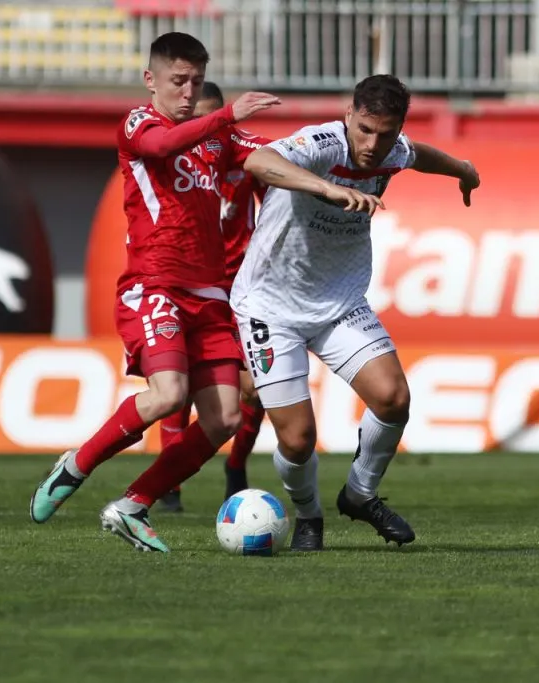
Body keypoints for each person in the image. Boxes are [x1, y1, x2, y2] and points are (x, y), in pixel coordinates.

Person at [28, 32, 280, 552]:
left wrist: (331, 179)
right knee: (169, 396)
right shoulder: (140, 124)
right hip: (154, 285)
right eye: (178, 80)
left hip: (210, 295)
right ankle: (75, 465)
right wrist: (228, 114)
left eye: (196, 81)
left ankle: (133, 505)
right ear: (151, 80)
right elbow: (163, 146)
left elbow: (271, 157)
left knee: (225, 418)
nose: (188, 91)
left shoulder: (218, 139)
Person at [232, 74, 481, 551]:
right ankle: (309, 517)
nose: (372, 145)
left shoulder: (393, 150)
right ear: (349, 116)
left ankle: (360, 495)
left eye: (385, 134)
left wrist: (463, 169)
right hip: (270, 306)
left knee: (393, 397)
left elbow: (420, 155)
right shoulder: (321, 144)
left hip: (339, 301)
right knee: (299, 438)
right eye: (364, 129)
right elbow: (258, 160)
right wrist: (324, 189)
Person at [156, 81, 269, 514]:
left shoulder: (242, 157)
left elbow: (273, 200)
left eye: (212, 120)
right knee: (177, 387)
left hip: (241, 287)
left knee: (255, 390)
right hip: (188, 281)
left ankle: (236, 465)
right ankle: (170, 483)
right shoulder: (171, 156)